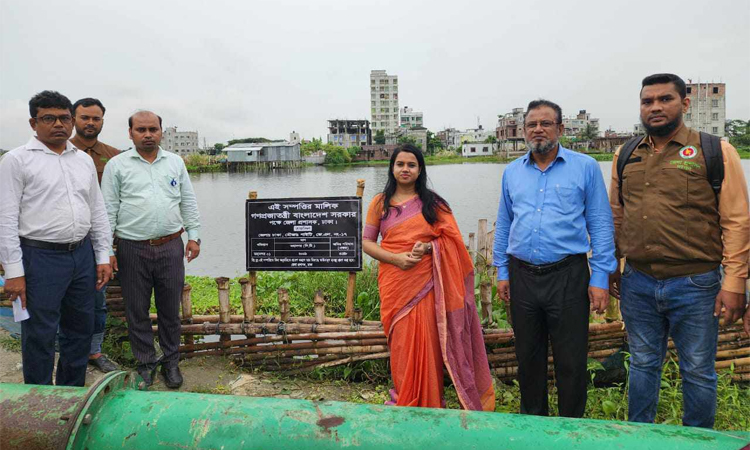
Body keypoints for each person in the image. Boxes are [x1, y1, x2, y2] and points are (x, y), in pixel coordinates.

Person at [609, 73, 749, 428]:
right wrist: (612, 266)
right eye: (647, 101)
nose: (655, 107)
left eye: (665, 99)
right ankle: (641, 436)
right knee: (641, 363)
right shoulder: (625, 154)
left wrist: (734, 282)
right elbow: (616, 216)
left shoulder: (715, 151)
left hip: (696, 283)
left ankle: (698, 439)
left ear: (684, 104)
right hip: (638, 281)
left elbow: (736, 220)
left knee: (698, 369)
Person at [493, 99, 616, 418]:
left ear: (560, 129)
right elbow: (505, 222)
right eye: (531, 124)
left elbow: (600, 222)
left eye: (545, 123)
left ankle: (570, 428)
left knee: (571, 360)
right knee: (528, 358)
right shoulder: (512, 172)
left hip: (568, 276)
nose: (538, 129)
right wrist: (502, 270)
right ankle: (533, 426)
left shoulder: (585, 167)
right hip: (523, 276)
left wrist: (601, 276)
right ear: (523, 131)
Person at [362, 144, 495, 411]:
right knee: (401, 346)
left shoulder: (433, 204)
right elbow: (366, 242)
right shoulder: (380, 203)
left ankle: (430, 402)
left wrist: (429, 247)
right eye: (400, 164)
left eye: (411, 165)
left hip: (427, 286)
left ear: (420, 169)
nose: (405, 169)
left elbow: (453, 243)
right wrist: (396, 258)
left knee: (429, 347)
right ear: (392, 168)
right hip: (395, 286)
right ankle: (405, 397)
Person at [0, 90, 112, 386]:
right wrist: (14, 272)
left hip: (81, 256)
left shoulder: (82, 161)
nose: (58, 124)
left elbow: (96, 211)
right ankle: (38, 399)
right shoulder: (17, 161)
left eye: (64, 118)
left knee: (80, 330)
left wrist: (102, 256)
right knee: (39, 332)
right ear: (33, 122)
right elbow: (6, 219)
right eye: (49, 118)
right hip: (40, 258)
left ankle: (71, 394)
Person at [101, 110, 201, 389]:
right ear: (130, 133)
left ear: (161, 132)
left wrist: (194, 236)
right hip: (132, 248)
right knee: (137, 310)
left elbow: (188, 202)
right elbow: (108, 210)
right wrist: (107, 249)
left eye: (153, 129)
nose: (147, 135)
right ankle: (145, 363)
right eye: (141, 130)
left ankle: (171, 361)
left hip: (170, 246)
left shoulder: (175, 162)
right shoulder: (117, 165)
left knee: (170, 309)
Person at [70, 97, 121, 373]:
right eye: (84, 118)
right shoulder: (60, 152)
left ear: (102, 120)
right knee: (56, 301)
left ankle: (95, 352)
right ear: (73, 119)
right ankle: (63, 351)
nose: (90, 123)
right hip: (63, 240)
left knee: (97, 300)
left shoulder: (114, 156)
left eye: (96, 118)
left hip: (100, 242)